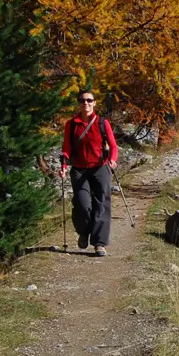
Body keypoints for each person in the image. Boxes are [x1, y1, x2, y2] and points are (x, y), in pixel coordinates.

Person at [59, 90, 118, 256]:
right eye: (82, 100)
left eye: (89, 100)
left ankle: (99, 243)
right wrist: (64, 164)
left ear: (94, 103)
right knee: (82, 203)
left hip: (100, 166)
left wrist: (113, 160)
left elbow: (113, 146)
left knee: (102, 203)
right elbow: (66, 147)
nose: (86, 103)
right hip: (79, 169)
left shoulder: (102, 123)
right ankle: (84, 232)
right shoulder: (71, 125)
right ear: (79, 103)